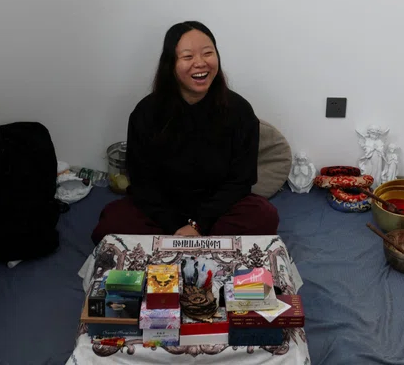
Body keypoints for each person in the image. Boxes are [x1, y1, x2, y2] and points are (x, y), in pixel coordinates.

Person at [91, 21, 279, 244]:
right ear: (170, 64)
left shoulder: (240, 112)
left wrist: (198, 225)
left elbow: (240, 182)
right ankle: (200, 246)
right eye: (188, 57)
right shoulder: (146, 113)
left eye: (208, 53)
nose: (200, 63)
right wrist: (176, 228)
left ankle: (178, 246)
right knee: (112, 223)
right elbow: (142, 185)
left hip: (218, 210)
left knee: (264, 216)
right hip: (162, 210)